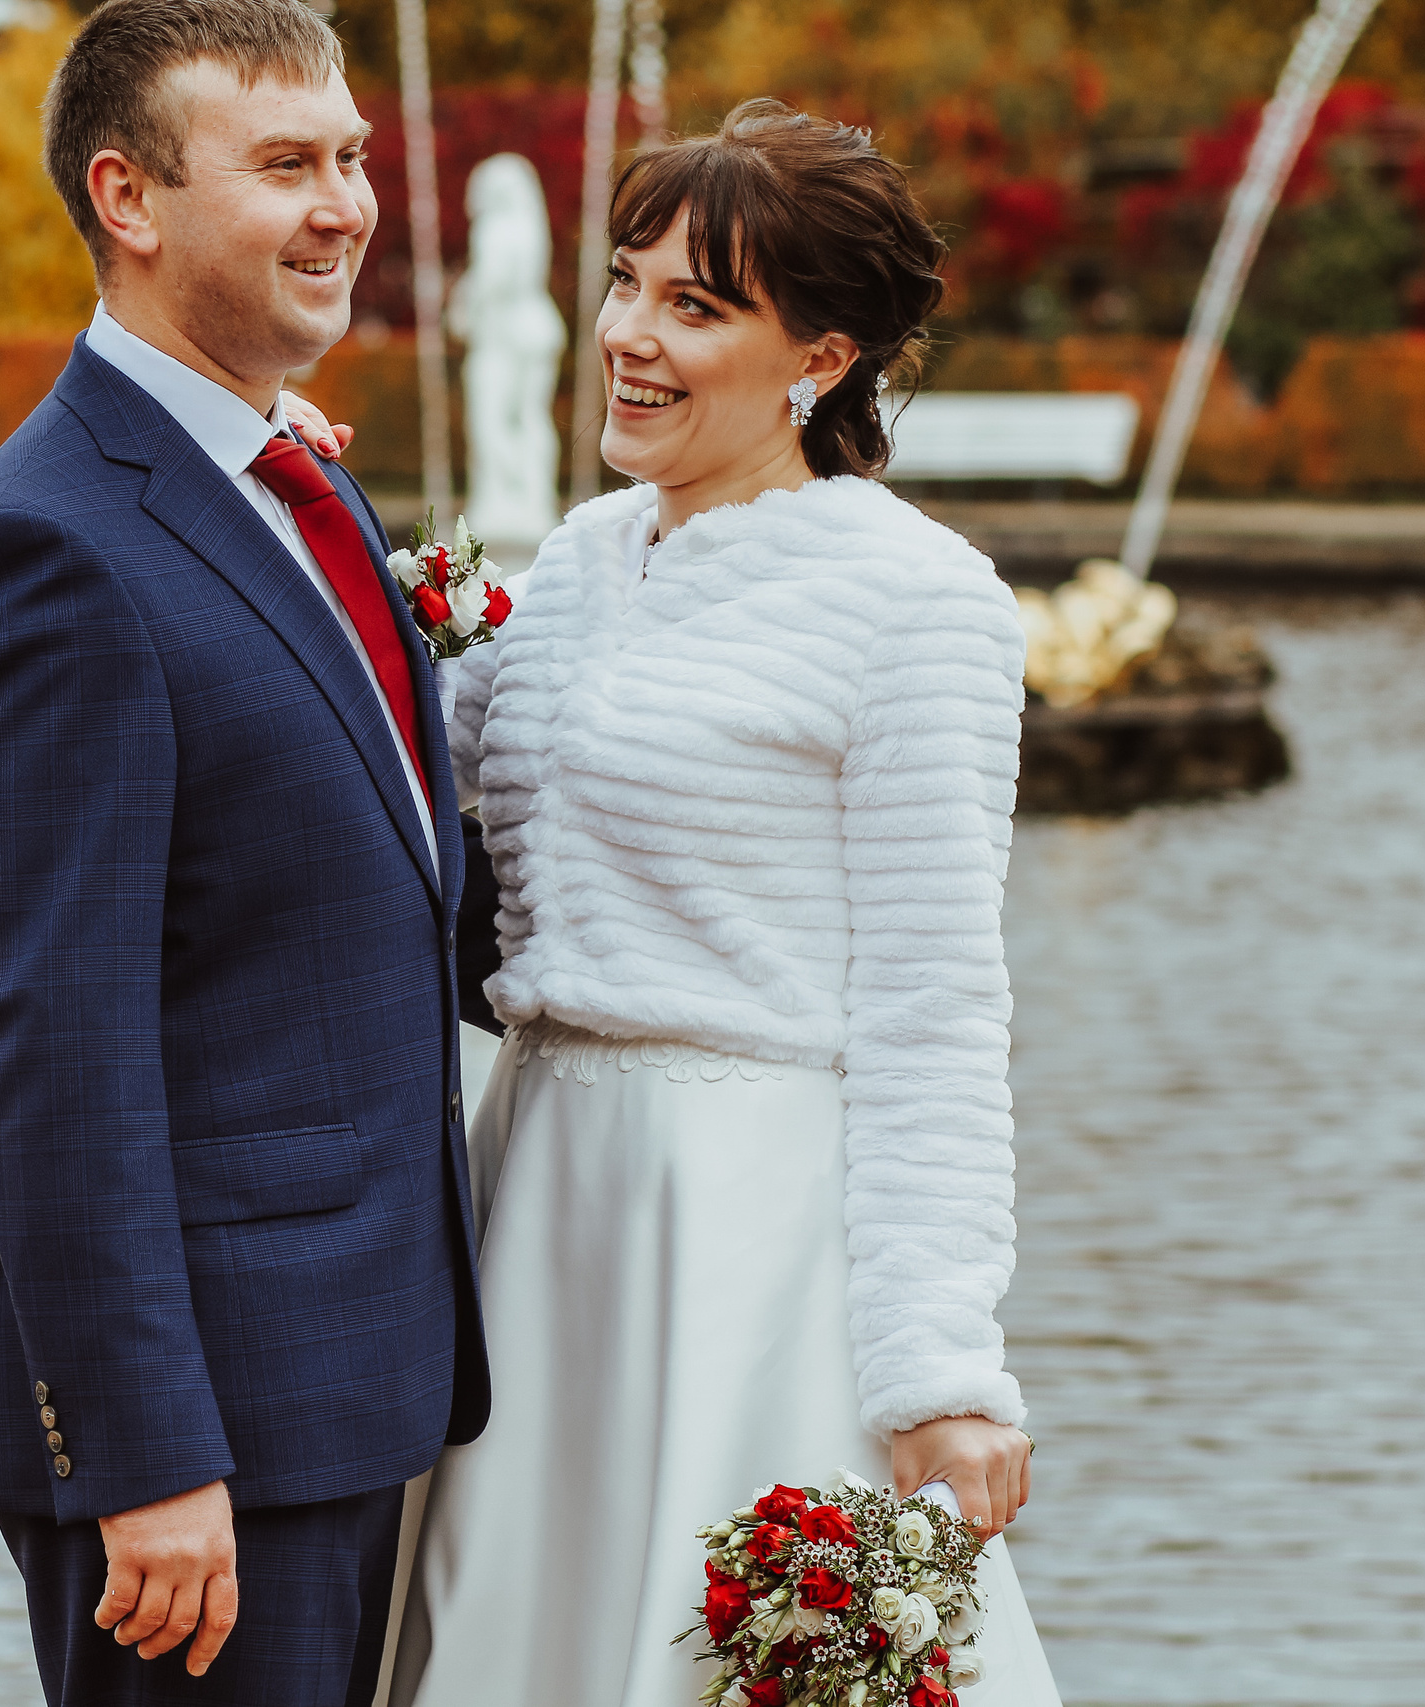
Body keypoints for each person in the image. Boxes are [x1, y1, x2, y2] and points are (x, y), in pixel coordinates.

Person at [390, 101, 1062, 1707]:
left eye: (695, 306)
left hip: (751, 1228)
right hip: (537, 1193)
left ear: (821, 357)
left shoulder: (914, 604)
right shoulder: (571, 566)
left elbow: (934, 1009)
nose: (626, 335)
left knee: (722, 1642)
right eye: (626, 284)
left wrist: (939, 1370)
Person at [0, 3, 488, 1704]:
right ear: (130, 200)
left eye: (356, 159)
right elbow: (54, 1054)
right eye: (288, 166)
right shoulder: (49, 549)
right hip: (202, 1440)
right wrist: (150, 1459)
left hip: (356, 1371)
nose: (350, 205)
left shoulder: (293, 486)